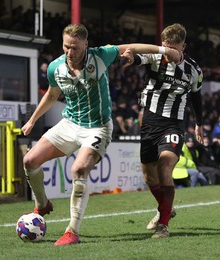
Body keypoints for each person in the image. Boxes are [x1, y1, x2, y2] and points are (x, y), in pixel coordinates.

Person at [21, 23, 182, 246]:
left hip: (97, 127)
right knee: (29, 160)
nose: (70, 52)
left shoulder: (100, 56)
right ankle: (42, 204)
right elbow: (51, 94)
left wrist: (166, 51)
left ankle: (72, 231)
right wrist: (32, 120)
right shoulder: (55, 68)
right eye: (66, 47)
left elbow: (133, 46)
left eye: (75, 48)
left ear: (86, 44)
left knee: (78, 169)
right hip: (69, 123)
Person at [126, 23, 204, 238]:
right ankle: (165, 208)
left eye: (173, 48)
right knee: (149, 177)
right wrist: (132, 58)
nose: (168, 51)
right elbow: (138, 57)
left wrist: (199, 122)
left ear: (183, 46)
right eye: (165, 46)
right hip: (150, 124)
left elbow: (196, 97)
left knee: (165, 166)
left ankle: (164, 225)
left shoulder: (194, 70)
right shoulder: (156, 57)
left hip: (174, 125)